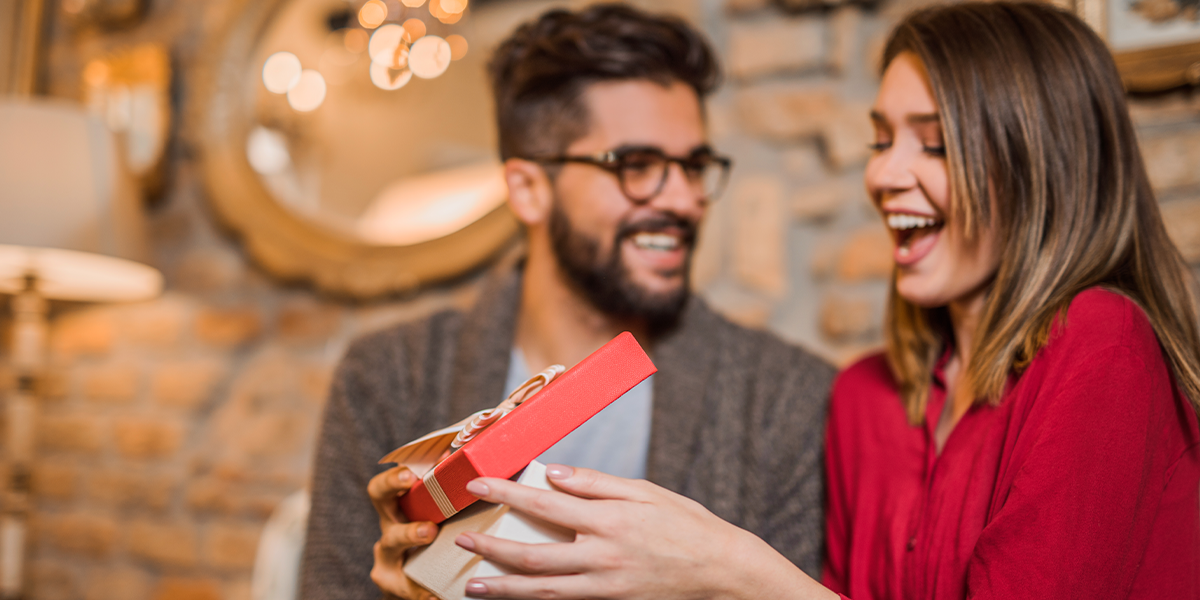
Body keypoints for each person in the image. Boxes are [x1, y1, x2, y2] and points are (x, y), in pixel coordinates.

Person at [449, 3, 1200, 599]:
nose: (885, 175)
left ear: (1042, 165)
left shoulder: (1101, 343)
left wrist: (736, 571)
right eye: (881, 141)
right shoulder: (865, 402)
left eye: (933, 144)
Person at [298, 5, 835, 600]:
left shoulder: (787, 398)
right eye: (637, 165)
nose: (683, 199)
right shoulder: (389, 377)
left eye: (694, 165)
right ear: (529, 189)